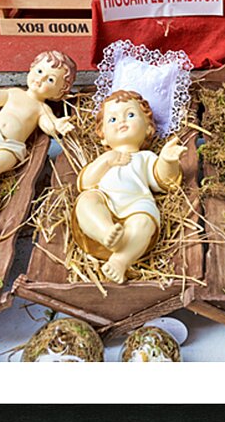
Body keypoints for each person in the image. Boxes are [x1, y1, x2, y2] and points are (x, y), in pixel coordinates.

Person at [72, 90, 186, 284]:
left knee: (145, 221)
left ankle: (120, 261)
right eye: (112, 119)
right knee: (87, 200)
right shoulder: (104, 159)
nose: (122, 121)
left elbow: (164, 182)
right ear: (103, 136)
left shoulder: (146, 157)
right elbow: (85, 184)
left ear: (148, 128)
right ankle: (105, 232)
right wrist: (107, 160)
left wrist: (168, 161)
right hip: (105, 202)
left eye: (131, 115)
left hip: (136, 206)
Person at [0, 50, 77, 198]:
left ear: (58, 93)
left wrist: (57, 125)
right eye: (39, 71)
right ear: (31, 69)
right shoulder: (15, 92)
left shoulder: (42, 108)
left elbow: (47, 124)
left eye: (50, 80)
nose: (40, 79)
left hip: (9, 148)